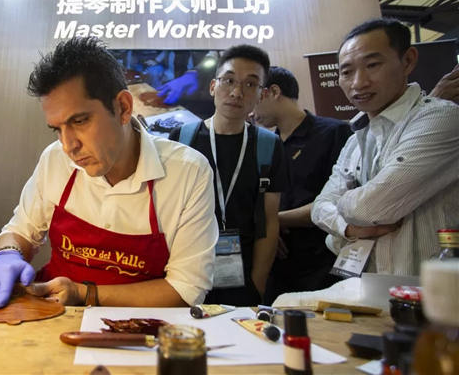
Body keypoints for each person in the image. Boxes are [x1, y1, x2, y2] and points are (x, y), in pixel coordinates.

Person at [0, 37, 218, 311]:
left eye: (79, 121)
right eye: (57, 129)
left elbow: (185, 290)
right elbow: (21, 231)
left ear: (123, 108)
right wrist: (7, 256)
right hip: (54, 317)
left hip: (137, 327)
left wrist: (82, 293)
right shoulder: (55, 159)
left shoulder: (187, 172)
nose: (68, 146)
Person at [311, 18, 459, 275]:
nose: (358, 83)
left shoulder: (441, 118)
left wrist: (342, 202)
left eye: (372, 65)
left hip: (431, 288)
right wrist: (348, 228)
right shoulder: (355, 140)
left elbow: (368, 209)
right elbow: (319, 206)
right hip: (370, 285)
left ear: (408, 61)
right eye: (347, 72)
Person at [169, 45, 288, 306]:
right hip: (184, 270)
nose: (236, 92)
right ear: (213, 86)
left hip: (242, 274)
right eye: (229, 81)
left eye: (250, 84)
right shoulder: (182, 139)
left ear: (262, 94)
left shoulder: (268, 146)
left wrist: (257, 283)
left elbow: (269, 221)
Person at [253, 67, 352, 305]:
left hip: (322, 265)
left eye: (254, 98)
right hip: (276, 267)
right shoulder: (264, 145)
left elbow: (340, 203)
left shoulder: (334, 133)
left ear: (273, 92)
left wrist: (273, 222)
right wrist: (268, 229)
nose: (250, 111)